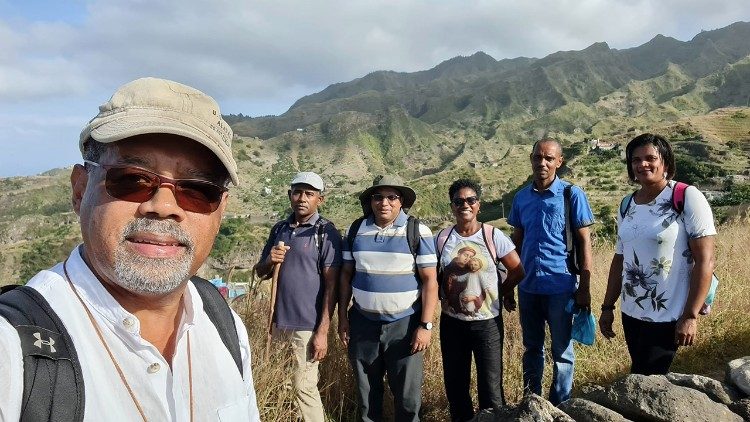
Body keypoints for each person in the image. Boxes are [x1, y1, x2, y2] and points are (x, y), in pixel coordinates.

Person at [0, 77, 260, 420]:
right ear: (80, 190)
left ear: (221, 208)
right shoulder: (13, 351)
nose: (164, 205)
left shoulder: (222, 322)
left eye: (197, 189)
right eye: (133, 180)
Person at [599, 133, 716, 375]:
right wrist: (607, 307)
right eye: (635, 160)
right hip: (632, 310)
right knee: (641, 373)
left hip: (668, 313)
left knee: (648, 377)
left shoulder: (685, 197)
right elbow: (620, 258)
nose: (642, 164)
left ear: (665, 162)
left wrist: (690, 316)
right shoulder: (627, 204)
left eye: (650, 158)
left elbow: (706, 259)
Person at [338, 175, 438, 422]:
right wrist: (342, 318)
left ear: (401, 201)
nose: (385, 202)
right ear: (371, 201)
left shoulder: (417, 231)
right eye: (378, 197)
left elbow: (430, 281)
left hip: (404, 325)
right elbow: (345, 277)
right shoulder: (356, 230)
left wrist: (425, 326)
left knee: (407, 399)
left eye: (392, 197)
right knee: (367, 398)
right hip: (363, 324)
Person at [508, 138, 594, 405]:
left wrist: (585, 287)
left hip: (561, 286)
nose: (542, 163)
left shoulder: (571, 195)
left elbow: (584, 241)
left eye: (548, 158)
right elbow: (516, 243)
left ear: (559, 162)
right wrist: (508, 285)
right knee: (532, 348)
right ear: (531, 159)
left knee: (562, 351)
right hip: (529, 287)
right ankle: (532, 401)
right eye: (537, 157)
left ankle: (559, 404)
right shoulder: (521, 197)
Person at [255, 171, 342, 421]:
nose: (302, 198)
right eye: (297, 192)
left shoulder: (326, 233)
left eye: (309, 194)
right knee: (281, 384)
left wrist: (322, 332)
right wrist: (269, 261)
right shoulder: (279, 229)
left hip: (307, 326)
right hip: (278, 323)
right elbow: (261, 273)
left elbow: (332, 287)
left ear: (320, 200)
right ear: (290, 195)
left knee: (304, 388)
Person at [435, 179, 524, 421]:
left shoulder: (493, 235)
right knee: (455, 385)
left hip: (487, 323)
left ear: (478, 205)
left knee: (491, 388)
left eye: (470, 200)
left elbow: (517, 270)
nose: (465, 204)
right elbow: (433, 276)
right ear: (452, 206)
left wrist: (502, 292)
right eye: (459, 201)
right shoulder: (442, 239)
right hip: (452, 322)